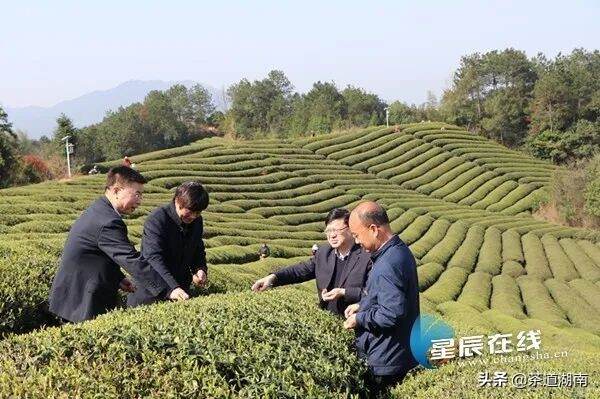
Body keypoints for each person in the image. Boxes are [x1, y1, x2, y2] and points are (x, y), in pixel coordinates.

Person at [48, 166, 185, 323]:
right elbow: (131, 259)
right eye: (137, 194)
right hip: (81, 302)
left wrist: (118, 278)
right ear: (116, 191)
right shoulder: (108, 221)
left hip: (74, 298)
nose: (140, 200)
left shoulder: (99, 210)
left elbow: (96, 255)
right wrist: (168, 290)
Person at [343, 201, 420, 396]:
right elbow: (390, 297)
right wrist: (363, 305)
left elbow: (392, 313)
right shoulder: (399, 251)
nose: (357, 242)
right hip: (396, 353)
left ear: (374, 229)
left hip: (386, 360)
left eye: (357, 235)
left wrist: (358, 319)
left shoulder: (387, 263)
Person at [252, 208, 371, 316]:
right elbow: (299, 271)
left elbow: (375, 293)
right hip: (328, 322)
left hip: (357, 322)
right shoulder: (324, 253)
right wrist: (273, 277)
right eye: (328, 231)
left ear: (350, 229)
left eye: (336, 230)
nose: (332, 235)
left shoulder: (367, 256)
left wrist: (344, 292)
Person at [127, 181, 209, 307]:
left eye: (197, 213)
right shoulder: (157, 220)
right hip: (150, 294)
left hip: (180, 291)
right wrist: (172, 287)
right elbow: (154, 259)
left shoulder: (197, 221)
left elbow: (197, 247)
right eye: (190, 211)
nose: (193, 216)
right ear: (177, 201)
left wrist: (200, 269)